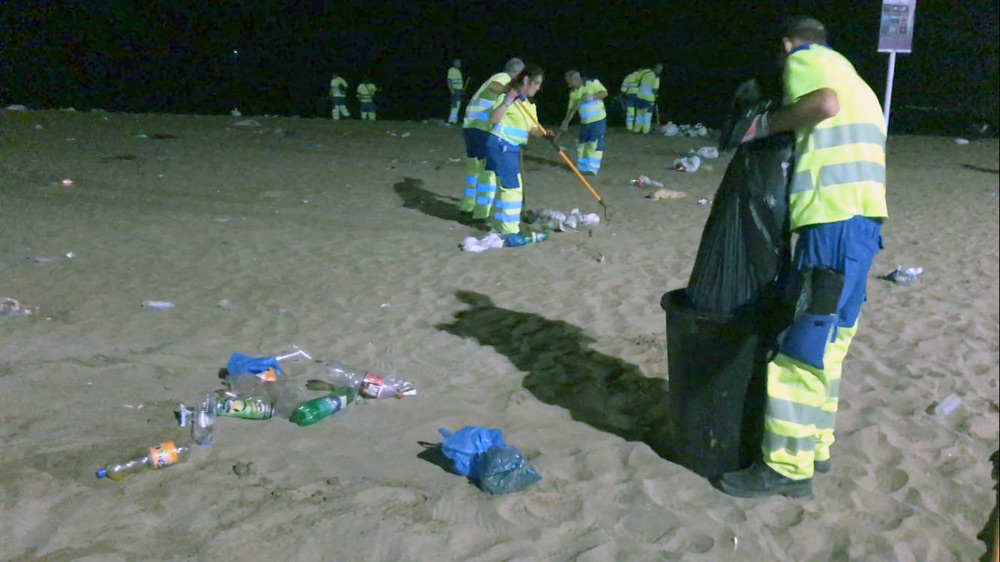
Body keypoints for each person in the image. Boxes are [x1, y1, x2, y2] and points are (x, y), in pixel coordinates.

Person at [716, 16, 888, 498]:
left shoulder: (808, 61)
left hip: (829, 223)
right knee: (832, 342)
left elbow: (822, 105)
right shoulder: (862, 85)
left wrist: (764, 124)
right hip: (864, 228)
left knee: (801, 345)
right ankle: (817, 446)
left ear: (787, 45)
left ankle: (787, 469)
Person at [485, 64, 552, 235]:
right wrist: (509, 100)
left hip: (512, 148)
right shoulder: (508, 97)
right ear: (526, 80)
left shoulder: (530, 105)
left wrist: (544, 133)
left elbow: (533, 129)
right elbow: (493, 119)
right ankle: (510, 231)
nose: (538, 88)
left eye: (539, 85)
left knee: (513, 187)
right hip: (501, 145)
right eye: (535, 83)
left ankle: (501, 224)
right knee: (512, 188)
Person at [458, 57, 525, 220]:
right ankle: (481, 213)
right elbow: (495, 87)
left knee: (474, 170)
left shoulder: (499, 79)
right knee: (487, 173)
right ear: (518, 72)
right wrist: (511, 92)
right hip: (481, 129)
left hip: (471, 127)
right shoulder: (504, 77)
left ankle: (467, 207)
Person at [560, 70, 609, 176]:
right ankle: (582, 167)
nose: (569, 85)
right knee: (583, 144)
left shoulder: (592, 83)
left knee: (594, 144)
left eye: (570, 82)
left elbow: (604, 93)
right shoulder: (573, 93)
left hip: (598, 120)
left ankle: (592, 169)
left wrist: (592, 97)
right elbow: (572, 109)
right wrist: (566, 122)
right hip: (585, 122)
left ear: (576, 79)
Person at [633, 63, 663, 134]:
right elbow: (654, 89)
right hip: (649, 99)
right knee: (647, 115)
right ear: (657, 69)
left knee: (639, 114)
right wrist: (656, 95)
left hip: (640, 96)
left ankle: (637, 129)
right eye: (660, 69)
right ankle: (645, 130)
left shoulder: (645, 71)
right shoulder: (656, 77)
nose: (660, 71)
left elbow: (637, 80)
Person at [447, 59, 465, 125]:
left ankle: (454, 120)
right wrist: (452, 90)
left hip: (458, 91)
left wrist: (462, 89)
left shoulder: (458, 71)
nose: (459, 64)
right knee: (455, 106)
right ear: (454, 63)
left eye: (459, 63)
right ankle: (451, 121)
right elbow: (449, 81)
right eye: (457, 62)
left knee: (457, 106)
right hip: (455, 90)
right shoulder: (452, 70)